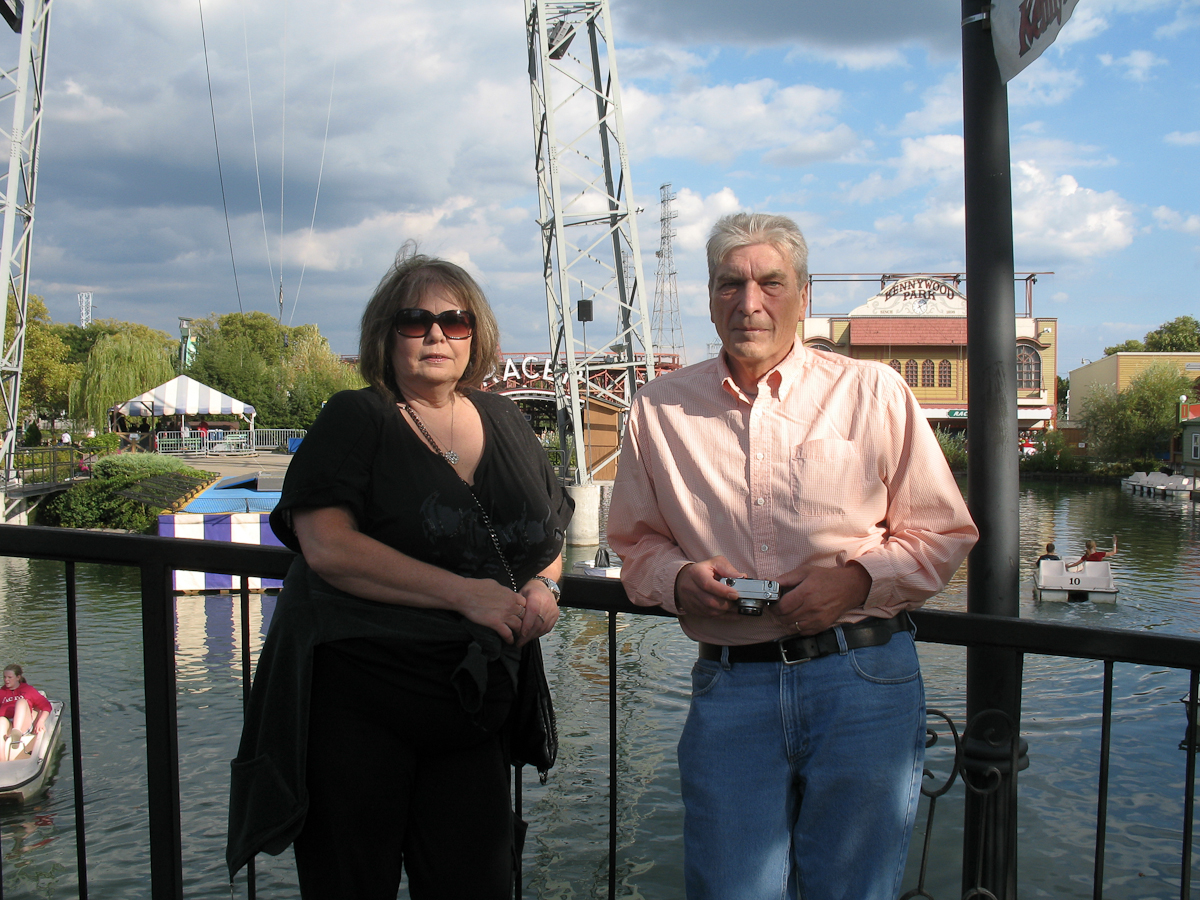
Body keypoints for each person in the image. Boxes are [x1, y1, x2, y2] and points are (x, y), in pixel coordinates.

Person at [607, 212, 978, 900]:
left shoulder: (872, 392)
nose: (749, 302)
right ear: (711, 297)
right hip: (731, 686)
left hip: (862, 677)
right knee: (728, 889)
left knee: (853, 891)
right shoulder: (657, 409)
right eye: (730, 285)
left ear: (803, 295)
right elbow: (633, 545)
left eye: (769, 282)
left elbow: (942, 534)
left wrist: (859, 578)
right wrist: (678, 579)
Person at [226, 246, 573, 899]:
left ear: (477, 334)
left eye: (456, 321)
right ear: (387, 336)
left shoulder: (504, 420)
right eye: (416, 321)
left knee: (478, 883)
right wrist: (468, 595)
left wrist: (545, 586)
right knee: (354, 883)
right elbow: (327, 547)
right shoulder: (356, 419)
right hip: (360, 707)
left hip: (472, 713)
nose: (437, 334)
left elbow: (549, 534)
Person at [0, 664, 51, 762]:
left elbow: (46, 706)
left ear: (18, 677)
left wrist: (41, 721)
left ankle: (17, 732)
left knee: (22, 702)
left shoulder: (28, 690)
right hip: (7, 725)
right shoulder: (1, 692)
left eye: (10, 677)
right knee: (1, 720)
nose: (6, 680)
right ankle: (1, 760)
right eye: (4, 677)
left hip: (23, 724)